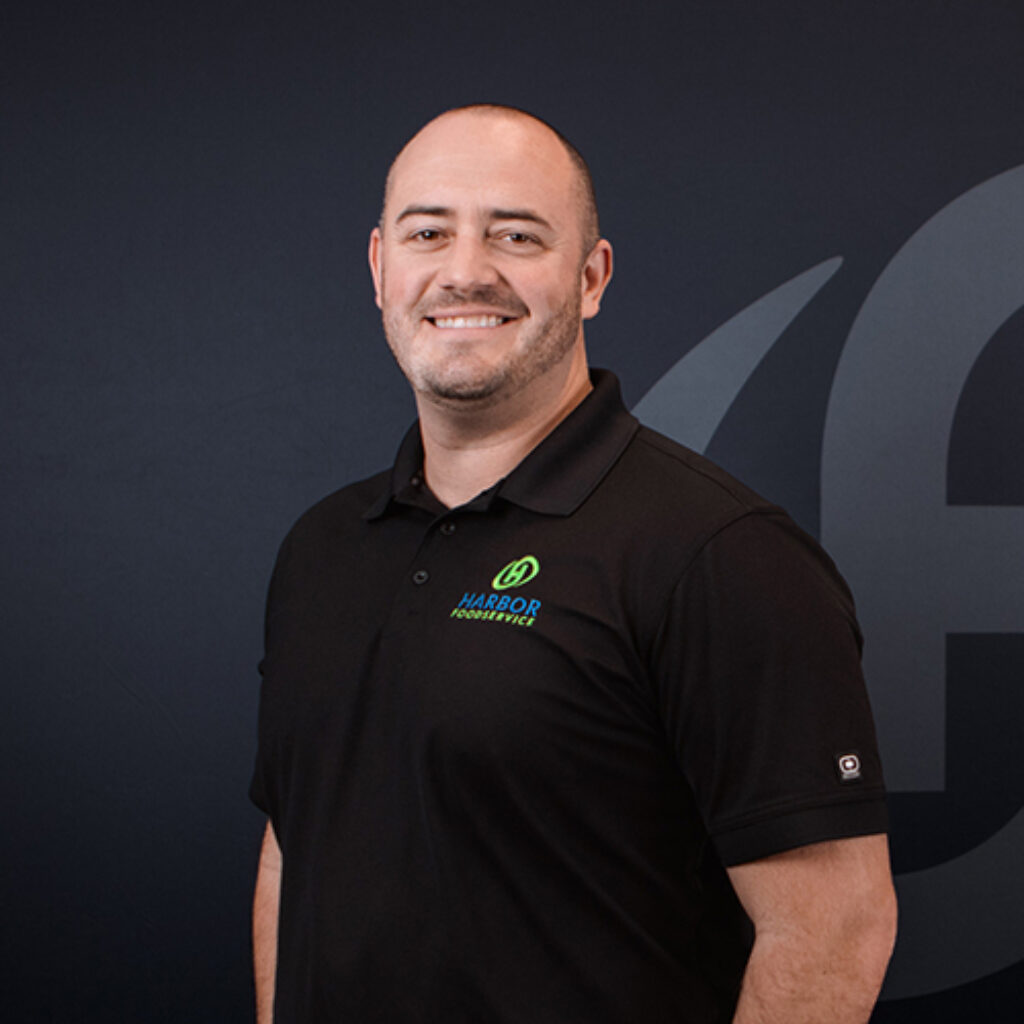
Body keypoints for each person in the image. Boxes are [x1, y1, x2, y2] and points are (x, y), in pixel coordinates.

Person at [250, 104, 897, 1024]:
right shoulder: (322, 548)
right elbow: (294, 848)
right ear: (380, 267)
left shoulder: (719, 554)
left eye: (515, 235)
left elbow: (834, 927)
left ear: (591, 278)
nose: (465, 270)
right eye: (428, 233)